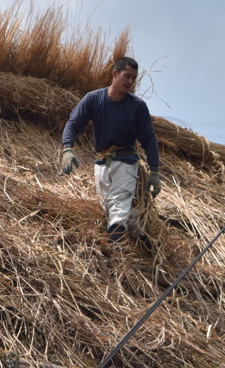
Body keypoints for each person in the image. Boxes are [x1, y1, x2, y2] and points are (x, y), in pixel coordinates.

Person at [60, 57, 161, 246]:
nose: (130, 81)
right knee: (109, 206)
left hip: (126, 161)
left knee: (119, 199)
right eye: (127, 76)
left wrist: (154, 171)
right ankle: (139, 235)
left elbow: (148, 138)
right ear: (115, 74)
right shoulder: (93, 99)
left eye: (133, 78)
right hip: (102, 162)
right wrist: (67, 149)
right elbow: (73, 123)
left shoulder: (137, 106)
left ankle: (115, 248)